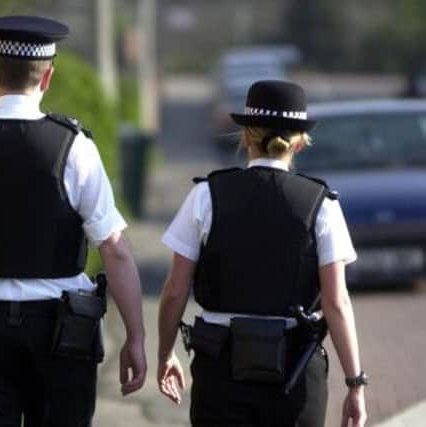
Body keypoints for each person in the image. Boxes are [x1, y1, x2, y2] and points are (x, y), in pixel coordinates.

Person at [0, 15, 146, 427]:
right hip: (60, 335)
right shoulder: (75, 148)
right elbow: (114, 250)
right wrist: (136, 339)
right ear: (48, 77)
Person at [156, 80, 367, 427]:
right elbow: (336, 302)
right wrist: (355, 384)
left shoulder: (206, 195)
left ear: (245, 136)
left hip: (220, 369)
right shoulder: (321, 205)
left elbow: (175, 290)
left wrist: (165, 354)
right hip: (295, 372)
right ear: (299, 143)